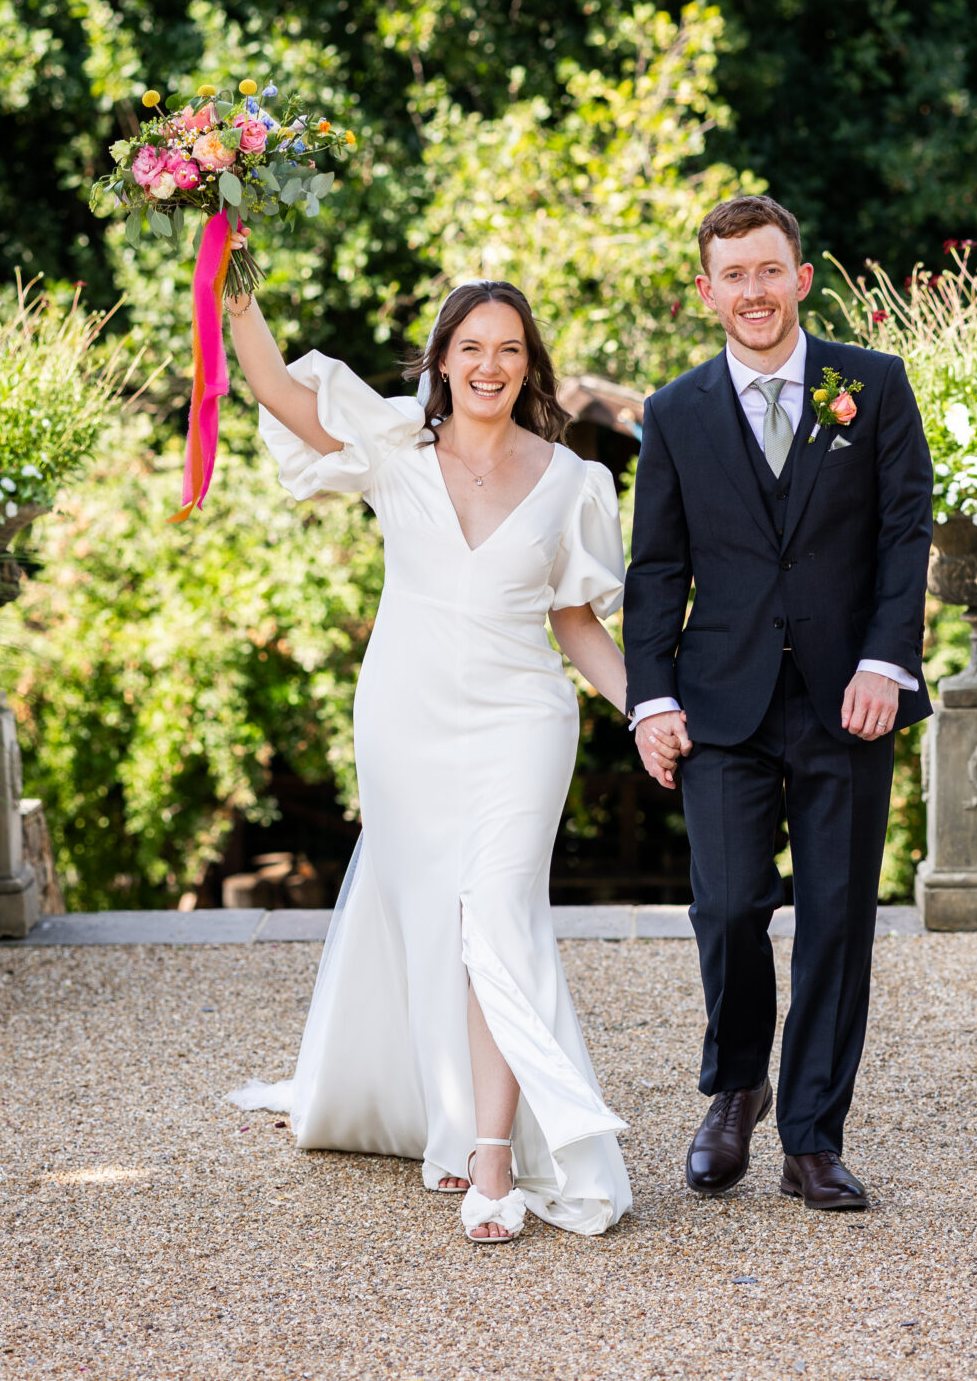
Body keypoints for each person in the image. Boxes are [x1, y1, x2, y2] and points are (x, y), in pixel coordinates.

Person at [225, 277, 632, 1242]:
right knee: (432, 920)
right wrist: (229, 277)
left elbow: (573, 622)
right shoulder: (393, 451)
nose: (489, 366)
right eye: (471, 347)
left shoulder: (572, 480)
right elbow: (274, 387)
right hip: (402, 719)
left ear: (528, 366)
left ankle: (494, 1160)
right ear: (441, 360)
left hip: (521, 721)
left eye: (509, 349)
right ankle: (450, 1120)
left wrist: (649, 708)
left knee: (495, 916)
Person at [623, 195, 933, 1212]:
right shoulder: (672, 411)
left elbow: (903, 533)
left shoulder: (871, 385)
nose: (753, 291)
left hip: (850, 695)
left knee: (837, 916)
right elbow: (657, 565)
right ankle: (735, 1086)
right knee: (725, 906)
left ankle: (811, 1134)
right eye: (733, 274)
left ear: (802, 276)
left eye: (770, 269)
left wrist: (887, 664)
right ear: (705, 290)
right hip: (720, 700)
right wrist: (651, 694)